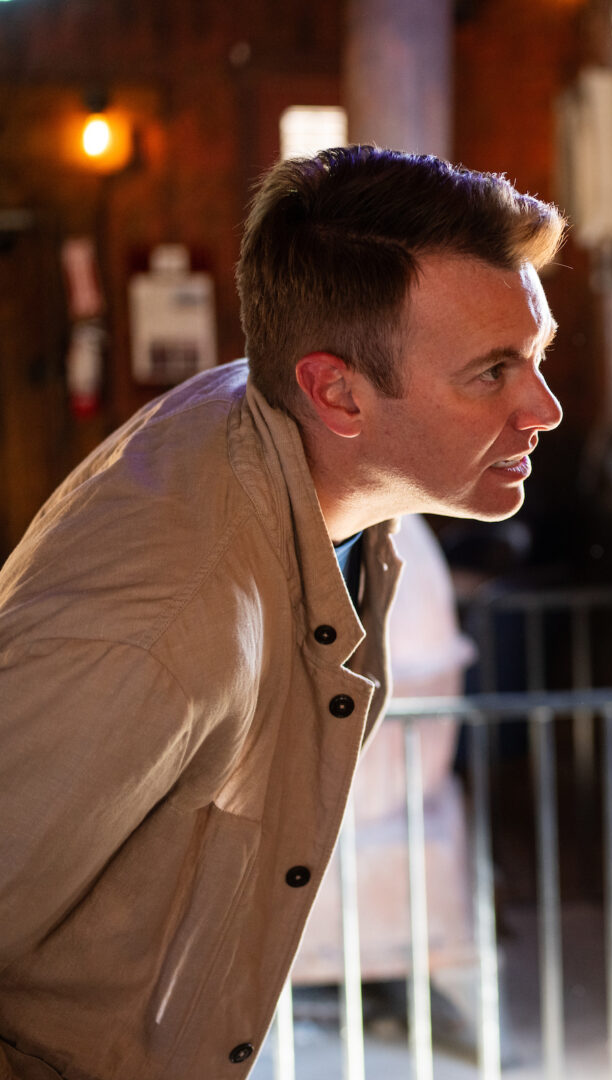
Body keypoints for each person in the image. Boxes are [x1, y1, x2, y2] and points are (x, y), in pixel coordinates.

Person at [0, 146, 565, 1079]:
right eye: (491, 372)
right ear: (335, 392)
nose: (542, 407)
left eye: (536, 356)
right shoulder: (159, 632)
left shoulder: (295, 437)